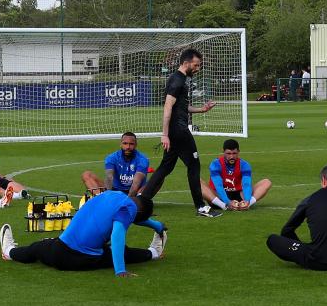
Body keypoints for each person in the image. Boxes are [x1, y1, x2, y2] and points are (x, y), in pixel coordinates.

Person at [0, 190, 166, 277]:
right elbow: (117, 237)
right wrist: (120, 270)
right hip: (80, 259)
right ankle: (154, 253)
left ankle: (9, 252)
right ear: (138, 213)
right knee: (123, 251)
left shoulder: (115, 196)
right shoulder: (128, 211)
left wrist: (157, 226)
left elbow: (132, 217)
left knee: (36, 248)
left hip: (59, 249)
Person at [140, 47, 221, 217]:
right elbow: (168, 106)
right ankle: (200, 207)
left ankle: (141, 201)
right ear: (186, 63)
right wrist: (164, 134)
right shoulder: (177, 80)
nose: (198, 69)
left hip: (176, 130)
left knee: (165, 167)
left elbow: (181, 107)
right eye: (196, 65)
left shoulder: (181, 79)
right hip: (179, 131)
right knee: (194, 165)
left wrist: (202, 110)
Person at [203, 139, 271, 210]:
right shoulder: (216, 164)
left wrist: (247, 200)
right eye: (228, 153)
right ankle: (224, 206)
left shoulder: (244, 165)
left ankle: (246, 205)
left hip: (238, 195)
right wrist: (227, 202)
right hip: (219, 196)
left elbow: (246, 184)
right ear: (223, 152)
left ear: (238, 152)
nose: (232, 156)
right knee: (197, 182)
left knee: (267, 182)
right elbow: (218, 185)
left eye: (234, 153)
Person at [81, 132, 151, 194]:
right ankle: (102, 199)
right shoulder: (112, 158)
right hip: (115, 190)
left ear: (135, 145)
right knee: (87, 175)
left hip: (135, 192)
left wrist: (127, 200)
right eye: (125, 143)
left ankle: (133, 201)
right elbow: (109, 177)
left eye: (131, 144)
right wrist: (108, 195)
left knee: (156, 179)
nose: (128, 147)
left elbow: (136, 183)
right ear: (120, 144)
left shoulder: (142, 159)